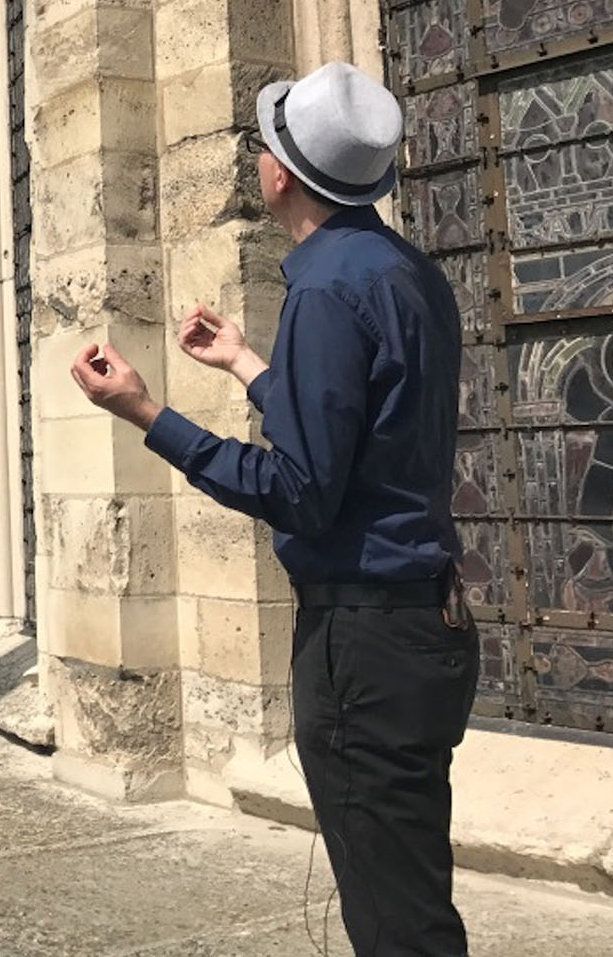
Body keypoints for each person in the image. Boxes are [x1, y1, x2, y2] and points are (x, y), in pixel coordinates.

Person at [68, 61, 478, 957]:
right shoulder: (403, 271)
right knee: (407, 888)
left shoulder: (327, 290)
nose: (257, 154)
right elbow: (364, 438)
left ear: (282, 173)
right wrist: (251, 366)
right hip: (424, 625)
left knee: (398, 923)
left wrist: (147, 413)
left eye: (265, 142)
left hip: (364, 643)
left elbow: (301, 492)